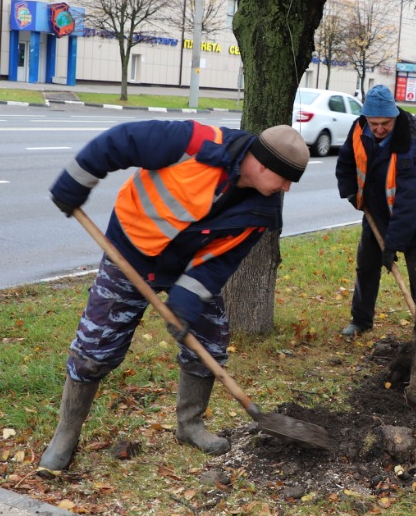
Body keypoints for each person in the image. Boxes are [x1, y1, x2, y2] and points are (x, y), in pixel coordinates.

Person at [39, 121, 310, 471]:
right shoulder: (196, 142)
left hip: (185, 264)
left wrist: (186, 300)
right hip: (131, 249)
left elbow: (219, 262)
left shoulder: (264, 210)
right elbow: (120, 141)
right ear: (262, 165)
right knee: (97, 345)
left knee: (210, 340)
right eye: (285, 178)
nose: (286, 188)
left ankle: (190, 425)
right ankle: (66, 433)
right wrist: (75, 181)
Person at [335, 84, 416, 339]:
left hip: (415, 222)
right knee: (366, 267)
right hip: (375, 214)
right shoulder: (359, 129)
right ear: (366, 119)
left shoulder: (410, 146)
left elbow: (409, 201)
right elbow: (346, 161)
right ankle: (360, 321)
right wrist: (350, 191)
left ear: (394, 117)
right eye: (374, 123)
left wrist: (392, 245)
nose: (379, 129)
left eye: (385, 123)